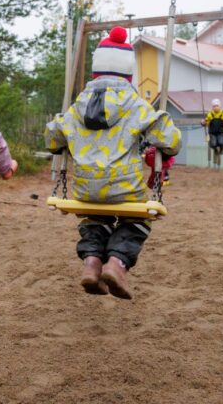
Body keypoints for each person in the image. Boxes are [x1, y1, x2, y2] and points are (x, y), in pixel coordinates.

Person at [45, 27, 180, 300]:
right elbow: (170, 141)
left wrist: (64, 140)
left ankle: (92, 262)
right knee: (138, 219)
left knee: (95, 218)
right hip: (125, 187)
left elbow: (52, 139)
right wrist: (163, 129)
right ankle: (117, 264)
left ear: (95, 73)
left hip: (85, 188)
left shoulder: (76, 106)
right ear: (128, 74)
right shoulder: (135, 104)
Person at [201, 98, 223, 169]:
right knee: (213, 144)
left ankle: (221, 149)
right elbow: (206, 121)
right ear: (212, 107)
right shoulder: (210, 114)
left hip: (221, 132)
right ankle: (215, 150)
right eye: (214, 106)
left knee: (221, 142)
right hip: (212, 133)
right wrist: (203, 122)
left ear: (220, 106)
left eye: (217, 106)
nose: (216, 107)